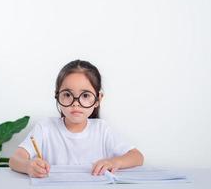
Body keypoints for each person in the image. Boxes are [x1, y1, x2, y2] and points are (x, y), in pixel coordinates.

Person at [9, 59, 144, 178]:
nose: (75, 103)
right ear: (57, 96)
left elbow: (137, 157)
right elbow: (15, 159)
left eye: (85, 96)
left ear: (98, 99)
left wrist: (114, 162)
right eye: (67, 94)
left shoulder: (102, 129)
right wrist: (28, 166)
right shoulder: (45, 128)